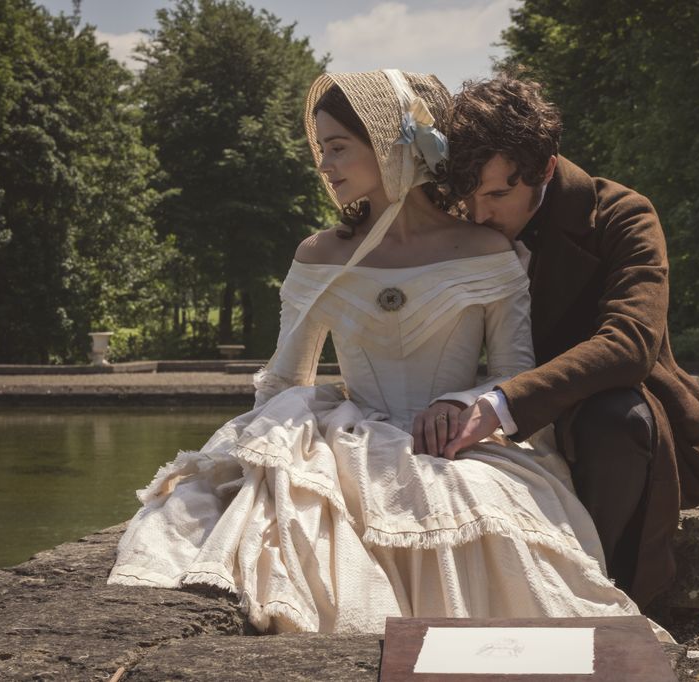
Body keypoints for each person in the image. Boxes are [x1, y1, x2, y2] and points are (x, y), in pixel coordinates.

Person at [107, 69, 667, 638]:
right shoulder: (320, 253)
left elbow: (527, 368)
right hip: (348, 435)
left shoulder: (496, 245)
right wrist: (253, 460)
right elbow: (284, 381)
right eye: (321, 149)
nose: (324, 166)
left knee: (504, 487)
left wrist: (466, 404)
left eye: (339, 148)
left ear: (387, 143)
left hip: (464, 432)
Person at [434, 73, 699, 609]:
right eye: (468, 198)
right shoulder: (459, 222)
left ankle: (605, 595)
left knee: (618, 420)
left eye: (498, 194)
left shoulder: (624, 215)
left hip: (602, 416)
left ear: (544, 168)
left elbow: (631, 342)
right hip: (491, 408)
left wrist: (502, 404)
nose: (478, 216)